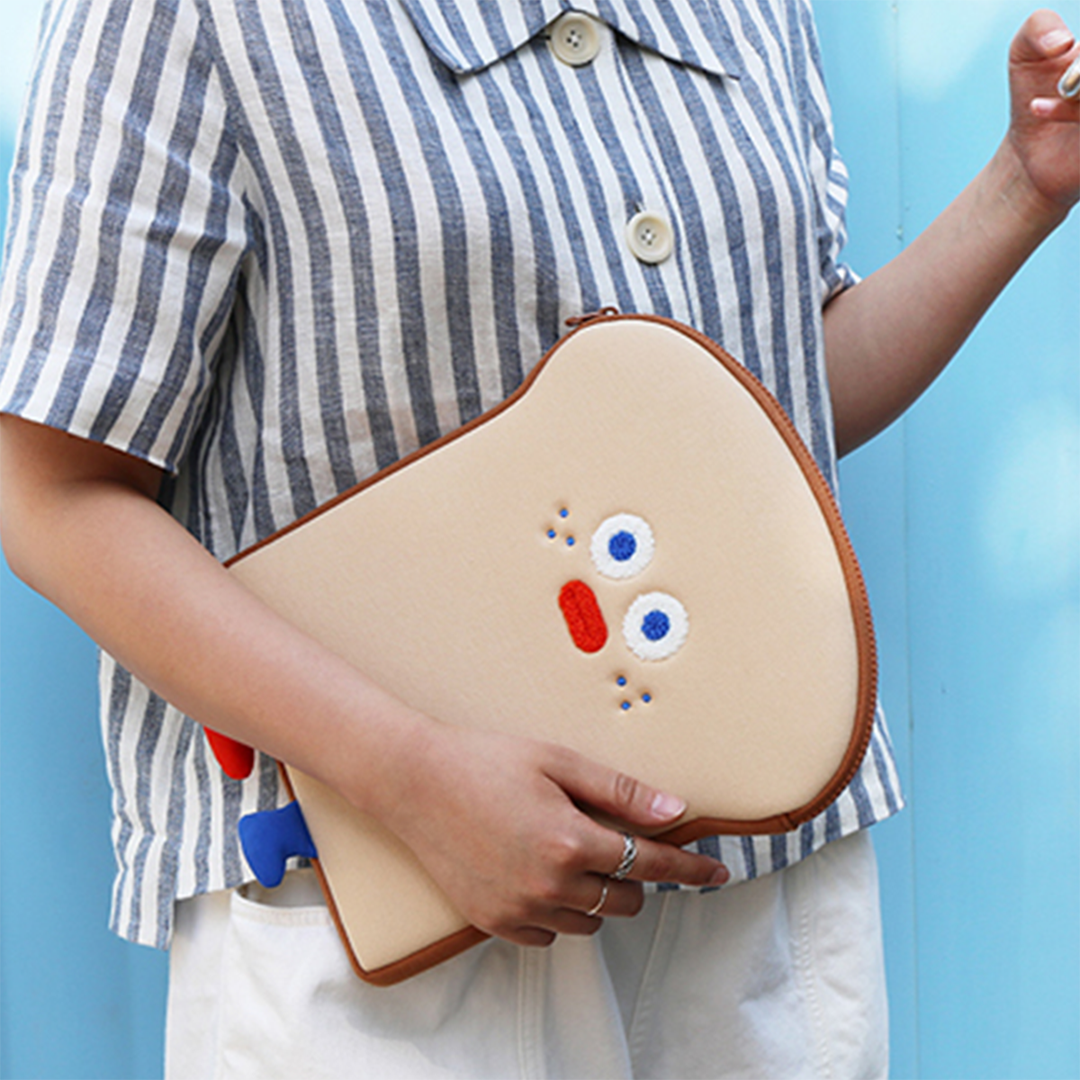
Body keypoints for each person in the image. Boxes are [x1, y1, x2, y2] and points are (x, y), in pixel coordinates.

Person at [0, 1, 1075, 1076]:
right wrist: (413, 777)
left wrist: (1020, 189)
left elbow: (769, 404)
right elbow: (49, 494)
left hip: (760, 885)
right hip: (385, 905)